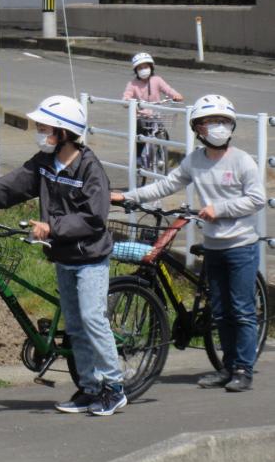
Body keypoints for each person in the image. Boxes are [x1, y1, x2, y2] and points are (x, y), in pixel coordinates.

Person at [0, 95, 127, 417]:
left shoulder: (89, 168)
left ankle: (114, 387)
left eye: (45, 128)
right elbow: (9, 187)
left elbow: (94, 217)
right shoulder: (45, 163)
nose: (40, 133)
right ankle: (88, 387)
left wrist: (52, 227)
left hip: (89, 258)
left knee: (92, 319)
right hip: (63, 256)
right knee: (75, 326)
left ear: (65, 132)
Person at [112, 94, 265, 392]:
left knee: (241, 310)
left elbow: (257, 200)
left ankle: (243, 370)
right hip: (214, 247)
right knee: (219, 311)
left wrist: (219, 210)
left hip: (241, 247)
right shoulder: (195, 160)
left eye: (222, 121)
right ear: (198, 128)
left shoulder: (243, 160)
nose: (217, 127)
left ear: (231, 125)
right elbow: (166, 184)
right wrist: (128, 197)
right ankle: (227, 367)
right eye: (210, 122)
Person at [121, 51, 184, 168]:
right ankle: (138, 158)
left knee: (164, 134)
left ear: (151, 67)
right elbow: (127, 96)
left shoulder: (157, 80)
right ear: (136, 70)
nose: (143, 69)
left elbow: (168, 89)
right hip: (141, 116)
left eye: (146, 66)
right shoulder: (133, 84)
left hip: (155, 115)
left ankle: (161, 156)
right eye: (140, 68)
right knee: (139, 136)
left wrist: (176, 95)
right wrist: (127, 102)